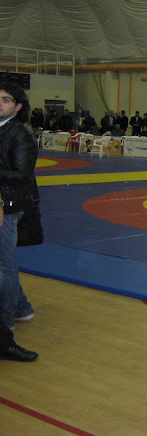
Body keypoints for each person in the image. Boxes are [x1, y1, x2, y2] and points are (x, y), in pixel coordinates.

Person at [0, 83, 37, 331]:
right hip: (3, 200)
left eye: (6, 100)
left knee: (5, 264)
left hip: (10, 204)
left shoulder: (20, 133)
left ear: (18, 106)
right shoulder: (3, 129)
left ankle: (5, 322)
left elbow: (23, 175)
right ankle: (21, 307)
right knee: (4, 262)